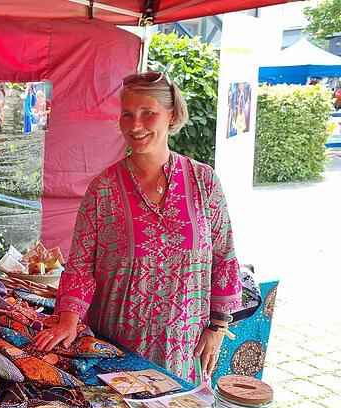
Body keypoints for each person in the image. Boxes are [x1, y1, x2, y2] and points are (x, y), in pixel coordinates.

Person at [34, 72, 241, 383]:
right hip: (118, 350)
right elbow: (79, 264)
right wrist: (68, 320)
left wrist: (218, 327)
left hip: (184, 350)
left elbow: (224, 255)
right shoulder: (103, 188)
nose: (135, 125)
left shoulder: (203, 181)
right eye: (127, 115)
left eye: (148, 113)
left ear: (171, 116)